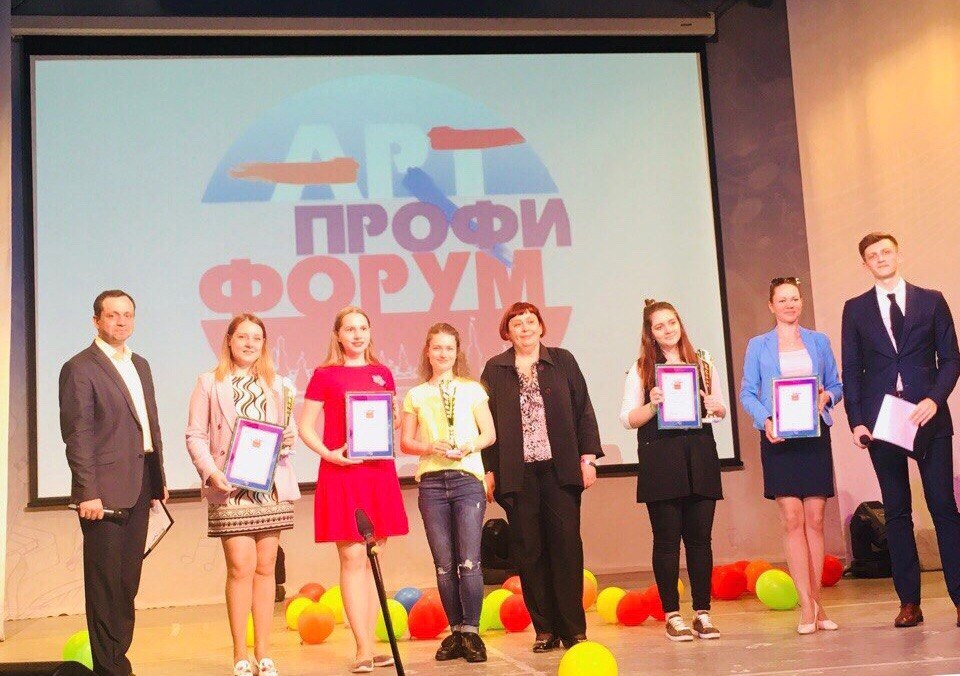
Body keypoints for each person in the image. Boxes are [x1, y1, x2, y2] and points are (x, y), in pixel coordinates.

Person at [841, 232, 960, 628]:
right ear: (865, 264)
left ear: (898, 255)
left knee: (943, 507)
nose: (881, 258)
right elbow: (851, 369)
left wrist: (935, 399)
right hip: (882, 422)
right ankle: (909, 602)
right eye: (872, 255)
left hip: (928, 416)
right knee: (896, 511)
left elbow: (951, 358)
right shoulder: (855, 309)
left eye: (886, 252)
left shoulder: (931, 300)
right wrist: (857, 420)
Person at [480, 301, 602, 652]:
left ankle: (573, 629)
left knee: (566, 547)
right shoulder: (495, 368)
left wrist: (588, 458)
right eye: (517, 324)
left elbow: (583, 409)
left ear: (541, 326)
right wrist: (489, 469)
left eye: (530, 321)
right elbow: (485, 423)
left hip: (559, 471)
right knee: (529, 552)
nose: (525, 328)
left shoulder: (562, 361)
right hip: (517, 475)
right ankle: (545, 629)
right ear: (507, 332)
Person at [59, 290, 168, 676]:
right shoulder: (80, 367)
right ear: (96, 321)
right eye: (112, 315)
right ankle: (111, 668)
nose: (121, 322)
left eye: (128, 315)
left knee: (126, 583)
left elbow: (149, 425)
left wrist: (158, 479)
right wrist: (87, 492)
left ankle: (117, 660)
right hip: (102, 494)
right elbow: (78, 434)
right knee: (104, 584)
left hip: (140, 486)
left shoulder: (140, 364)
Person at [186, 314, 300, 676]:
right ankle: (240, 653)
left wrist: (288, 439)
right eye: (243, 337)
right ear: (229, 341)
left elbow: (290, 433)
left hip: (269, 488)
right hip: (229, 487)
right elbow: (195, 435)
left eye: (257, 338)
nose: (250, 343)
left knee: (266, 568)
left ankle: (264, 653)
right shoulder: (209, 382)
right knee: (240, 567)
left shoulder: (279, 384)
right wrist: (211, 473)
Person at [298, 306, 409, 673]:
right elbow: (305, 426)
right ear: (338, 335)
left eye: (363, 328)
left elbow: (390, 424)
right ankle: (362, 648)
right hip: (342, 472)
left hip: (378, 473)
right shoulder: (324, 375)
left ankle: (372, 645)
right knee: (352, 557)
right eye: (350, 329)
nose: (358, 334)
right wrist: (328, 453)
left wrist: (393, 421)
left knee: (373, 556)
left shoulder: (383, 373)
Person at [740, 280, 843, 634]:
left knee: (815, 518)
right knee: (792, 518)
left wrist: (826, 397)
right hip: (779, 439)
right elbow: (748, 392)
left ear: (801, 302)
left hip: (814, 437)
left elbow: (837, 384)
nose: (789, 304)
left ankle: (818, 602)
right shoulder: (758, 345)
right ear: (771, 305)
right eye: (782, 300)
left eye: (794, 299)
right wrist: (766, 420)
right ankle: (805, 606)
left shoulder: (818, 341)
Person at [620, 299, 725, 642]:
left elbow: (719, 411)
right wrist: (652, 405)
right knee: (666, 541)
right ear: (650, 333)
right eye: (659, 326)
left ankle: (703, 613)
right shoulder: (642, 369)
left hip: (700, 457)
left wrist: (717, 407)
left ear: (680, 323)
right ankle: (673, 615)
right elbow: (627, 419)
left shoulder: (703, 363)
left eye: (672, 322)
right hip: (661, 460)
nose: (668, 330)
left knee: (700, 541)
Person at [400, 323, 496, 663]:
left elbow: (489, 434)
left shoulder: (472, 389)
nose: (443, 354)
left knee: (469, 561)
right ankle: (456, 631)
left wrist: (468, 446)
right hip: (432, 483)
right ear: (428, 352)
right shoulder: (415, 394)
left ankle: (472, 632)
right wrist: (430, 446)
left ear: (458, 353)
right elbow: (406, 442)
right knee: (444, 564)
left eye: (449, 348)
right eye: (437, 348)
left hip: (467, 480)